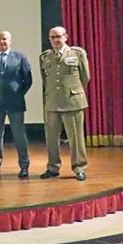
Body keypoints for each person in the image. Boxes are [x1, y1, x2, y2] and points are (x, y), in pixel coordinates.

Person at [39, 26, 90, 181]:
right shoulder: (44, 57)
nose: (56, 40)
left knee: (76, 138)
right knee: (51, 138)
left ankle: (79, 167)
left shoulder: (77, 53)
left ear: (66, 37)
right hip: (52, 102)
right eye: (52, 37)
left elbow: (85, 77)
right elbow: (45, 81)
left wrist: (74, 92)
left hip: (72, 101)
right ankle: (53, 167)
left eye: (59, 36)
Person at [0, 31, 33, 178]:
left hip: (15, 102)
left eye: (4, 39)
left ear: (10, 41)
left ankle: (24, 166)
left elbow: (28, 80)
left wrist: (17, 93)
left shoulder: (20, 57)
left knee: (19, 135)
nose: (1, 41)